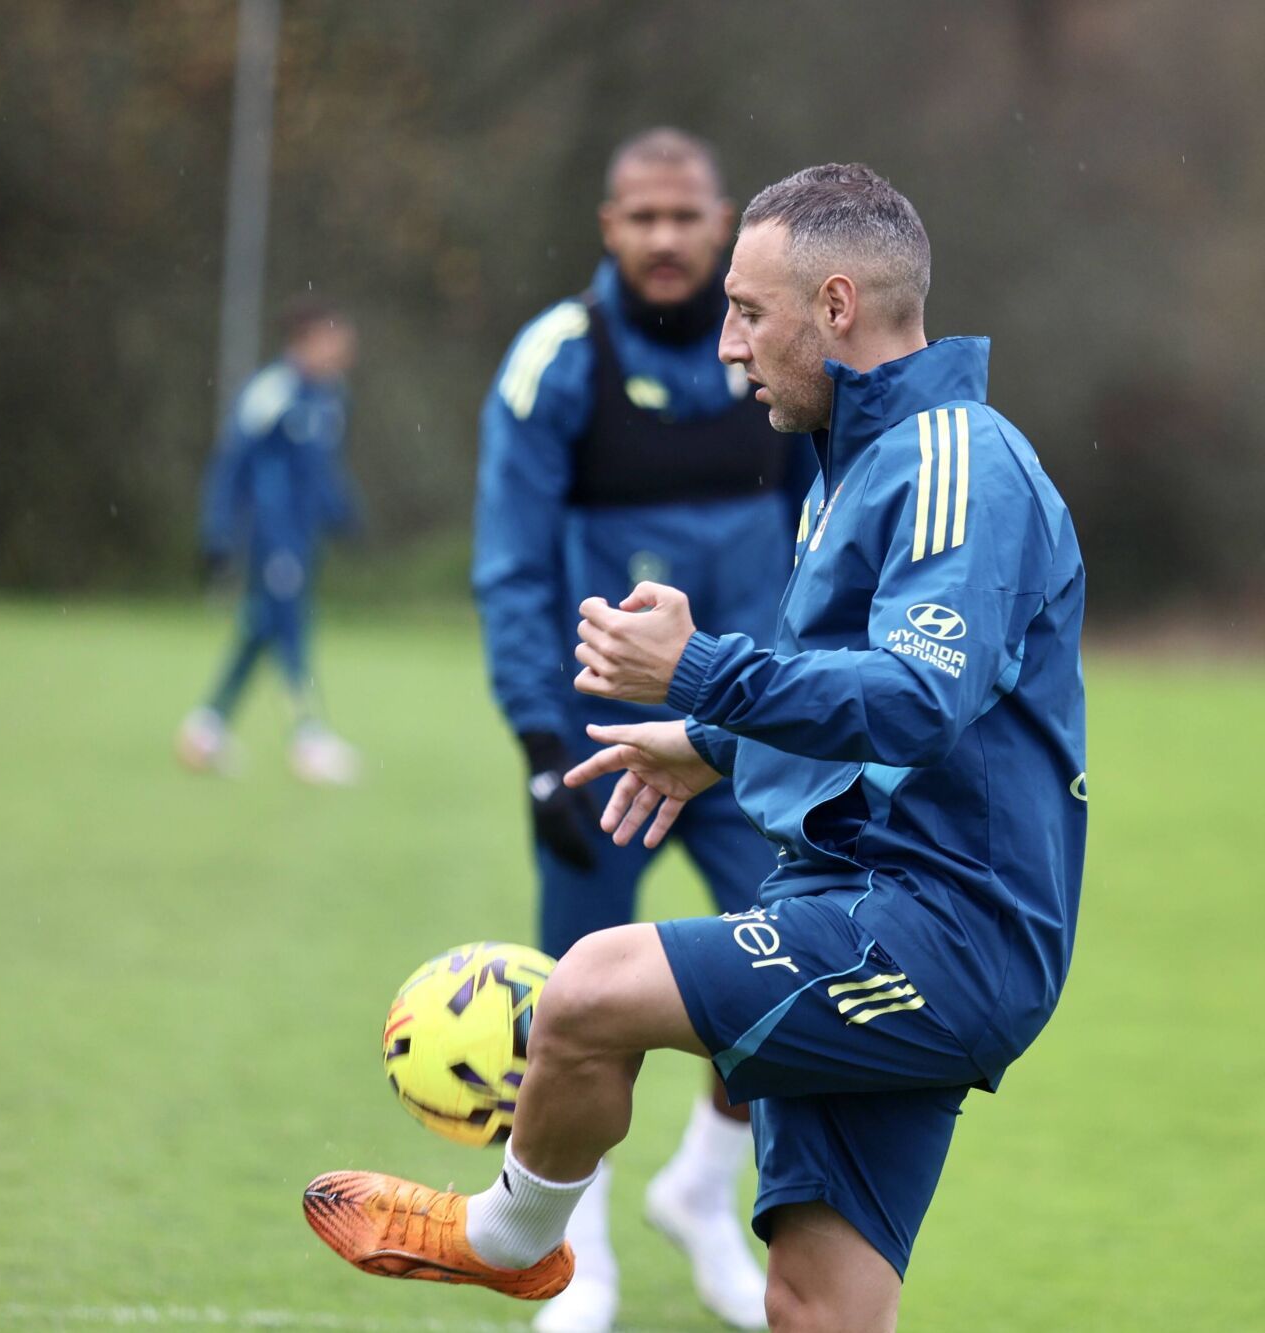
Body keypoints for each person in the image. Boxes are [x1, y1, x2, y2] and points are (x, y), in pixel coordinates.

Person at [304, 164, 1089, 1333]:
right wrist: (712, 741)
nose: (726, 346)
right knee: (817, 1306)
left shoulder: (952, 465)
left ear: (834, 308)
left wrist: (701, 672)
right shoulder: (860, 462)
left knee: (585, 990)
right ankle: (545, 1234)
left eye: (748, 311)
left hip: (934, 925)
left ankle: (513, 1238)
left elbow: (921, 698)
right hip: (871, 901)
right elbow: (866, 703)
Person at [471, 127, 811, 1333]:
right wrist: (533, 743)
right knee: (578, 1012)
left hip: (755, 743)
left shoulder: (774, 354)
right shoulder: (558, 361)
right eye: (641, 219)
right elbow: (510, 566)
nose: (665, 240)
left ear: (721, 225)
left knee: (789, 979)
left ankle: (700, 1193)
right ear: (605, 228)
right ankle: (580, 1259)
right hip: (599, 752)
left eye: (685, 217)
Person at [177, 299, 363, 786]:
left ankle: (205, 727)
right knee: (290, 629)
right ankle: (310, 740)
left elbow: (320, 471)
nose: (343, 350)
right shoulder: (271, 392)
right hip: (269, 537)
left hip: (302, 539)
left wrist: (344, 515)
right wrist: (217, 534)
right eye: (333, 339)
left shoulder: (330, 397)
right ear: (304, 340)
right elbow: (231, 464)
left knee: (261, 628)